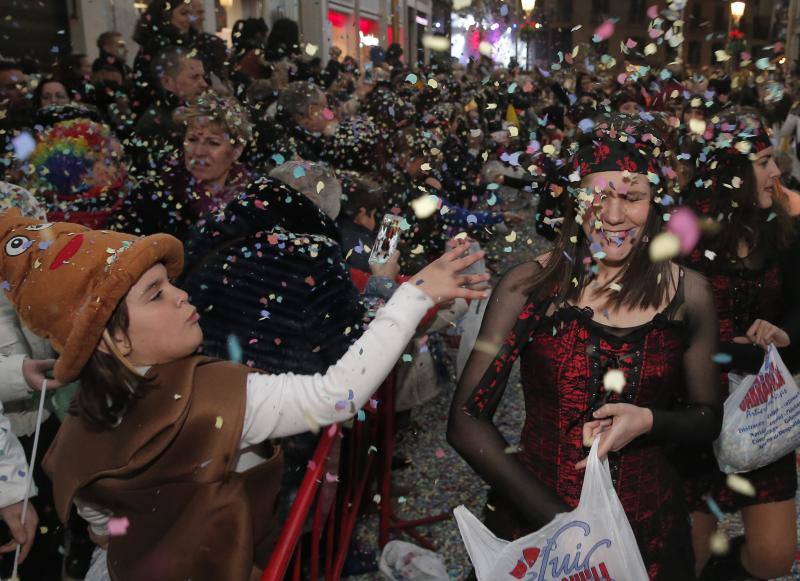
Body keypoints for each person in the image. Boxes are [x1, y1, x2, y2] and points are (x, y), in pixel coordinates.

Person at [0, 206, 488, 581]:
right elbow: (335, 395)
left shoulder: (79, 425)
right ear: (113, 339)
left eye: (170, 283)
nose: (182, 294)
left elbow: (103, 528)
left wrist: (150, 534)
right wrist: (417, 291)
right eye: (156, 294)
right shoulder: (217, 398)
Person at [448, 115, 723, 579]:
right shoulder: (529, 287)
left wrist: (651, 420)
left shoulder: (688, 294)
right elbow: (465, 420)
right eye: (597, 196)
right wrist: (571, 532)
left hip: (647, 528)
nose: (614, 216)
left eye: (632, 198)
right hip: (540, 520)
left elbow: (707, 418)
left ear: (655, 203)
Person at [681, 112, 799, 581]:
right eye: (765, 161)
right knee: (684, 561)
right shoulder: (682, 233)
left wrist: (785, 333)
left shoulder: (782, 229)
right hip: (693, 414)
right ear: (730, 167)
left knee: (774, 558)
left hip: (762, 411)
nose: (776, 173)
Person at [122, 91, 253, 239]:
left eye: (213, 143)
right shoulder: (150, 195)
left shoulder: (251, 202)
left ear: (236, 151)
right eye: (192, 139)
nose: (198, 151)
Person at [27, 118, 129, 229]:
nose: (120, 168)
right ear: (83, 175)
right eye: (109, 162)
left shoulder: (44, 218)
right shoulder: (119, 207)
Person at [132, 45, 209, 170]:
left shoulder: (196, 111)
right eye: (194, 77)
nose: (204, 84)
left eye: (202, 77)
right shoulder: (155, 124)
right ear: (167, 82)